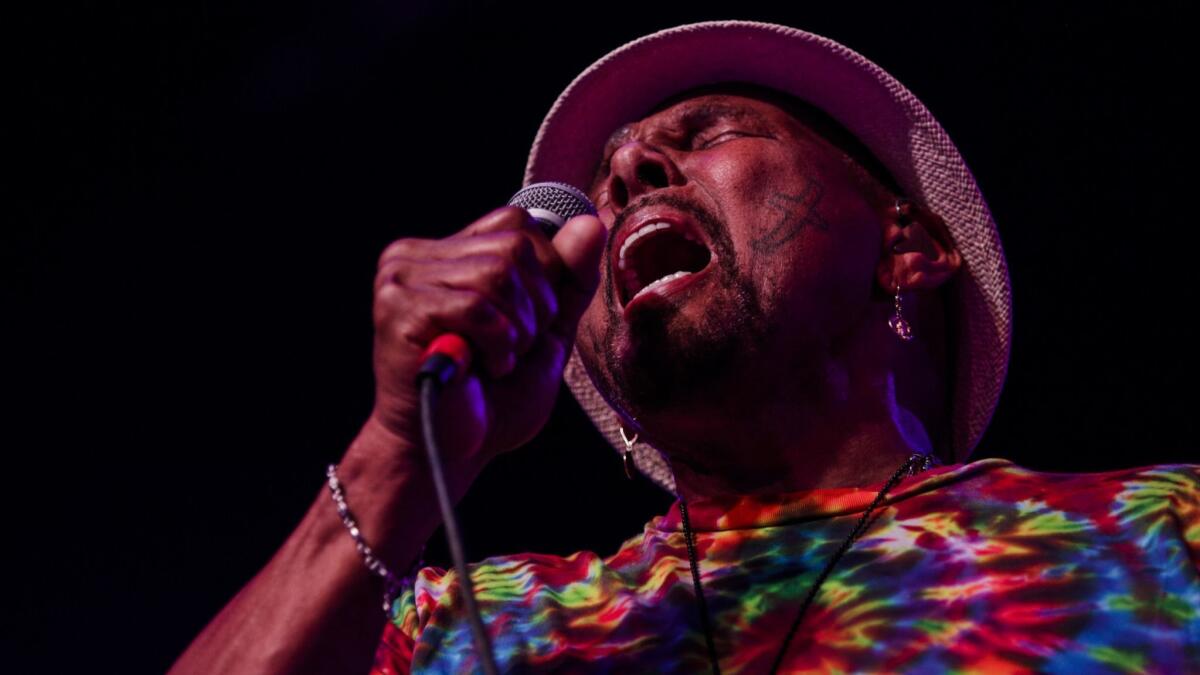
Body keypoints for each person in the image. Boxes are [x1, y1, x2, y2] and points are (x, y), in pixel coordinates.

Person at [171, 21, 1199, 674]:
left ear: (909, 247)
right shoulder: (471, 627)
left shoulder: (1155, 537)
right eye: (613, 173)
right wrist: (401, 446)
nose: (628, 171)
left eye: (707, 132)